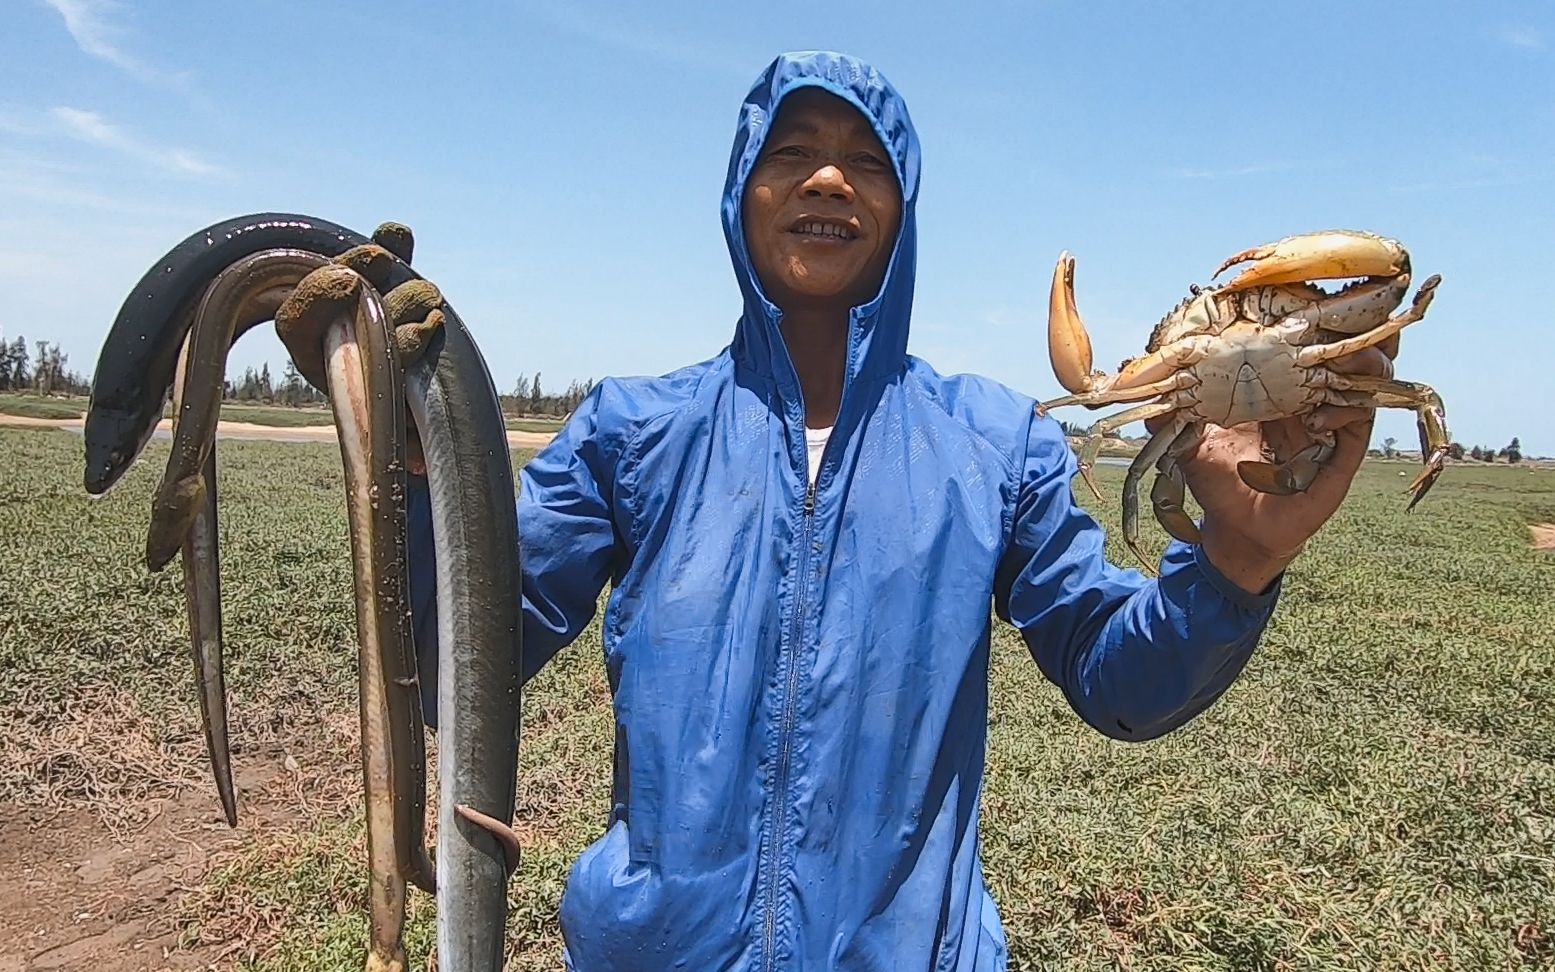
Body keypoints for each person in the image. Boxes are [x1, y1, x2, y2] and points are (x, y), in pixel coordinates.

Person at [403, 50, 1397, 971]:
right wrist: (410, 458)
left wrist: (1233, 563)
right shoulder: (633, 431)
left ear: (903, 206)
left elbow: (1116, 678)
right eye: (789, 153)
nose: (827, 180)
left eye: (864, 162)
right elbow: (458, 660)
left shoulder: (993, 443)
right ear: (739, 196)